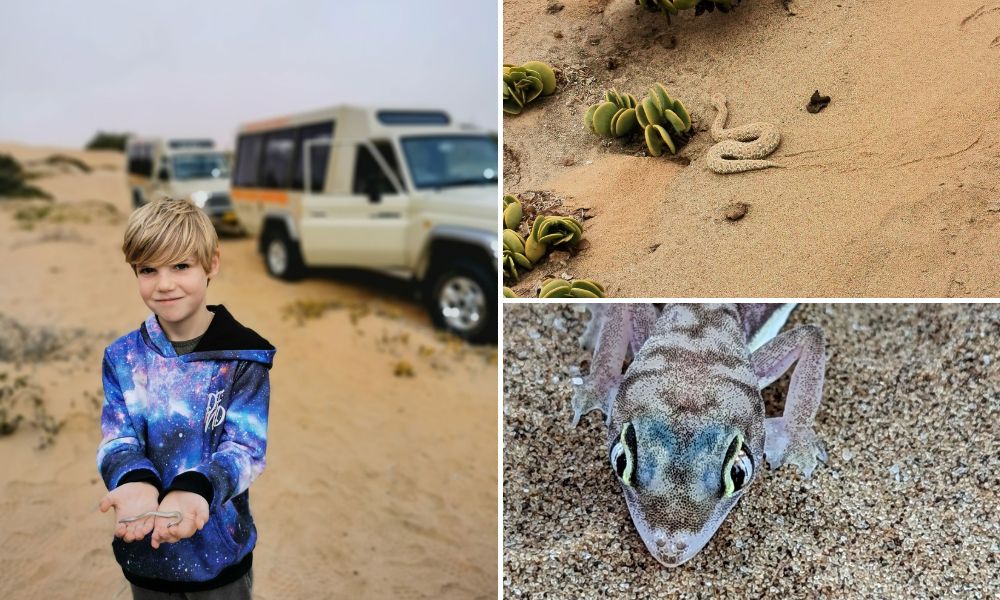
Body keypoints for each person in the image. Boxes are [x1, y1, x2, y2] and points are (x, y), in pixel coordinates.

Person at [96, 197, 274, 599]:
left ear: (211, 263)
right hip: (146, 552)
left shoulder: (243, 358)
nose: (164, 283)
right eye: (148, 269)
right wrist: (134, 480)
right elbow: (117, 437)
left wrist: (197, 489)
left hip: (219, 557)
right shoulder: (123, 358)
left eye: (181, 266)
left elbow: (245, 447)